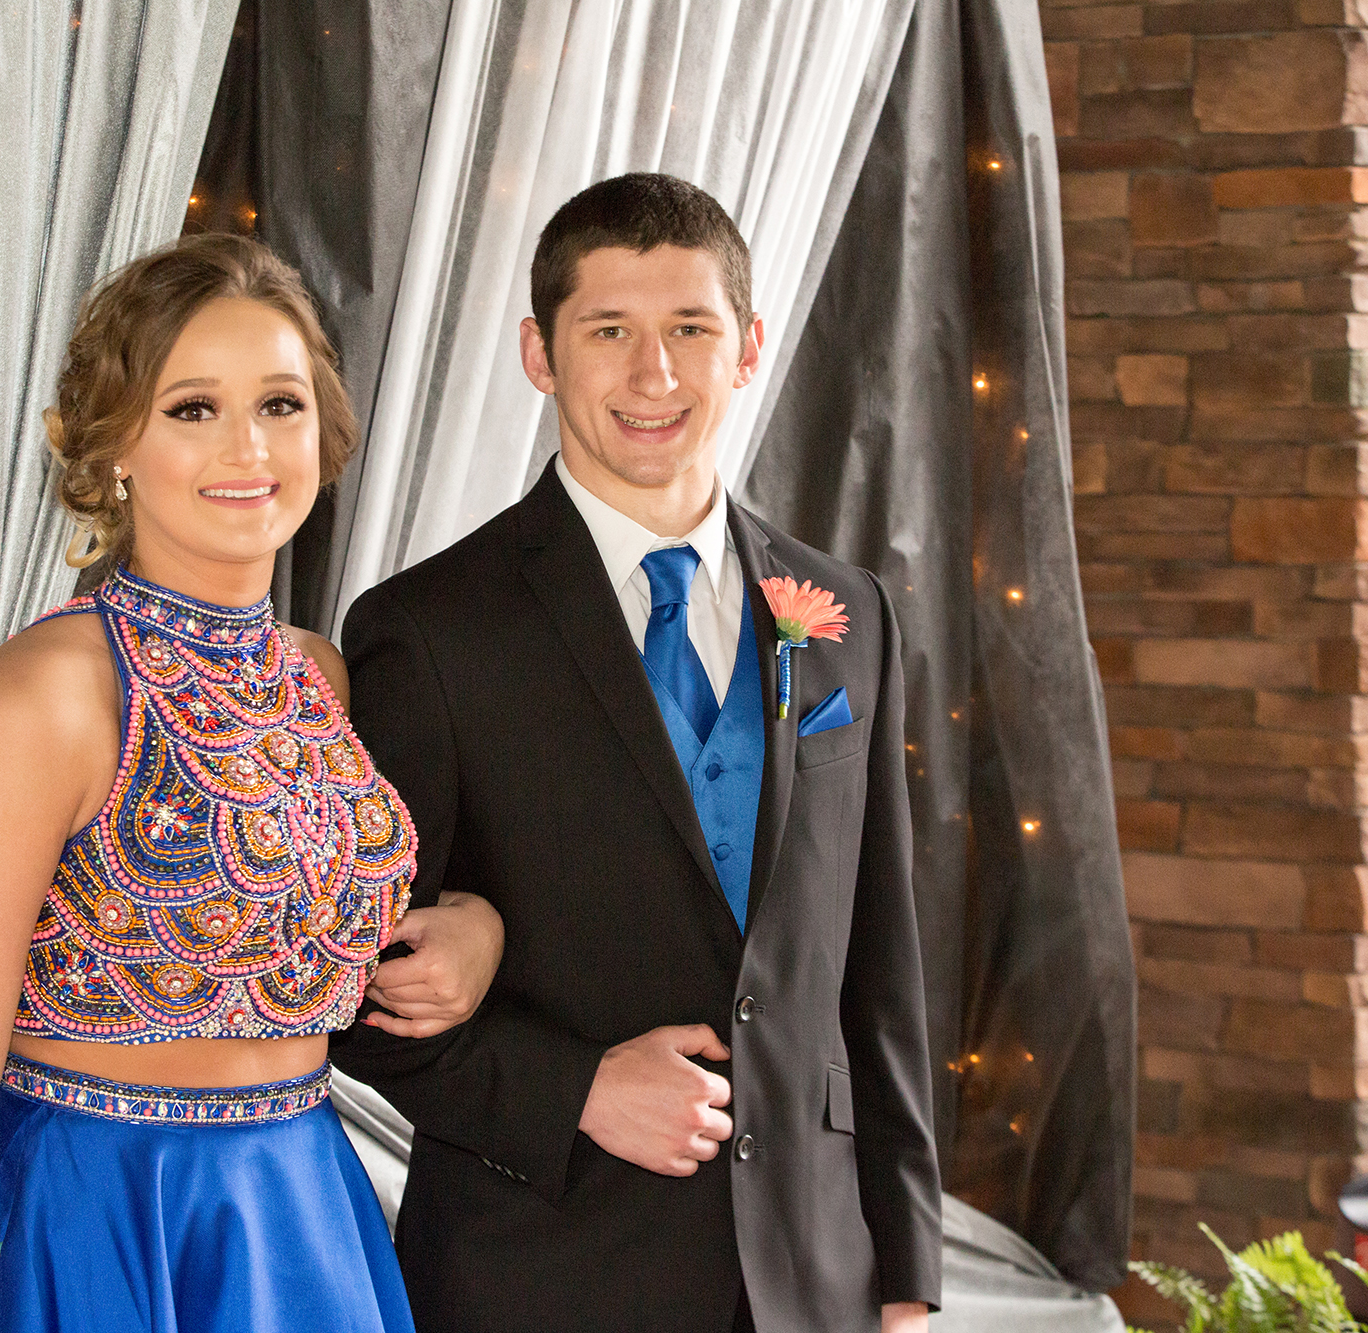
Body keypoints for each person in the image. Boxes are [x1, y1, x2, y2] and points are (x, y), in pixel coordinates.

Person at [330, 173, 942, 1332]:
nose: (652, 373)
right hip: (542, 1276)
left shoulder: (848, 614)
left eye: (689, 329)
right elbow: (347, 992)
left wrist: (903, 1276)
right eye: (608, 330)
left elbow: (879, 969)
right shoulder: (429, 628)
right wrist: (578, 1090)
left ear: (746, 347)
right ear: (539, 354)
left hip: (811, 1285)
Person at [0, 233, 507, 1333]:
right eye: (193, 408)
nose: (246, 445)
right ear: (117, 443)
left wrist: (477, 927)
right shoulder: (45, 696)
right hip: (97, 1220)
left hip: (300, 1212)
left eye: (278, 404)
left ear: (321, 430)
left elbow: (301, 924)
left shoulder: (317, 676)